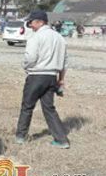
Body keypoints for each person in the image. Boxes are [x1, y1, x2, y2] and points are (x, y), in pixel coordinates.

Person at [15, 10, 70, 149]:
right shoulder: (59, 38)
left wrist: (25, 66)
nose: (30, 26)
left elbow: (30, 58)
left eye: (31, 22)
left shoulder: (36, 37)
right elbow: (64, 62)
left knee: (27, 106)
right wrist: (61, 80)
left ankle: (21, 137)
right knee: (49, 109)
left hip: (37, 75)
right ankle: (62, 140)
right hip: (52, 77)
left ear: (40, 22)